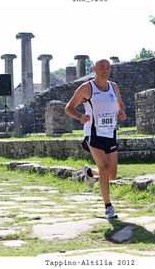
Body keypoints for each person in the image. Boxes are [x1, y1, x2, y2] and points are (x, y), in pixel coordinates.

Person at [64, 59, 126, 218]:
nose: (105, 71)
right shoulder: (86, 88)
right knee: (104, 168)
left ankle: (90, 172)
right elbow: (68, 108)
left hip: (110, 133)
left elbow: (120, 104)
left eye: (107, 68)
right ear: (94, 69)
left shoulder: (114, 87)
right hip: (93, 133)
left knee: (112, 175)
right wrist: (80, 117)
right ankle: (108, 207)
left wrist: (121, 112)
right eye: (101, 68)